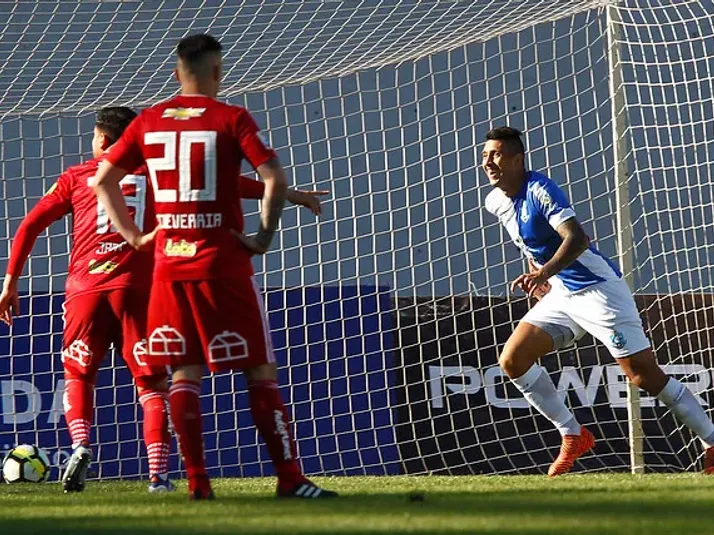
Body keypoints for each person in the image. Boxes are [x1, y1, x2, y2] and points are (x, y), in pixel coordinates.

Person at [0, 107, 327, 494]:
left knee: (78, 374)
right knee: (153, 383)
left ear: (103, 141)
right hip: (139, 288)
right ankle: (158, 477)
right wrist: (289, 193)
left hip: (85, 288)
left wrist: (10, 282)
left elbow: (30, 224)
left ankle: (80, 444)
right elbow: (228, 185)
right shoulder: (159, 172)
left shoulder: (78, 176)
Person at [90, 34, 337, 500]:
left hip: (170, 266)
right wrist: (262, 238)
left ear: (177, 71)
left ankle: (198, 485)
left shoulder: (148, 121)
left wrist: (135, 237)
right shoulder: (230, 118)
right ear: (217, 72)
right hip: (223, 263)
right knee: (259, 370)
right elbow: (273, 177)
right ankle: (289, 478)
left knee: (184, 373)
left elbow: (103, 179)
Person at [481, 126, 714, 476]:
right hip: (562, 294)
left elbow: (576, 239)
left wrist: (543, 273)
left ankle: (711, 439)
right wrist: (542, 276)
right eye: (485, 156)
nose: (488, 162)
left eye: (496, 155)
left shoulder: (541, 189)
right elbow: (529, 244)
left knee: (642, 376)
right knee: (513, 359)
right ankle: (573, 434)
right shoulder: (495, 200)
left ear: (517, 159)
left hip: (599, 291)